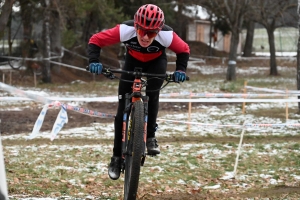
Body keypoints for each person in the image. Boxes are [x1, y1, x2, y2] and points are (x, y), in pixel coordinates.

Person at [87, 4, 190, 180]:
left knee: (153, 93)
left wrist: (180, 70)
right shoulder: (125, 30)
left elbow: (184, 50)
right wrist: (94, 61)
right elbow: (95, 40)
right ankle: (116, 158)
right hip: (132, 62)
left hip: (156, 62)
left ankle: (150, 136)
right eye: (142, 31)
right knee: (121, 112)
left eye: (151, 33)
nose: (145, 37)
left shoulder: (167, 35)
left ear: (158, 31)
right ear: (135, 27)